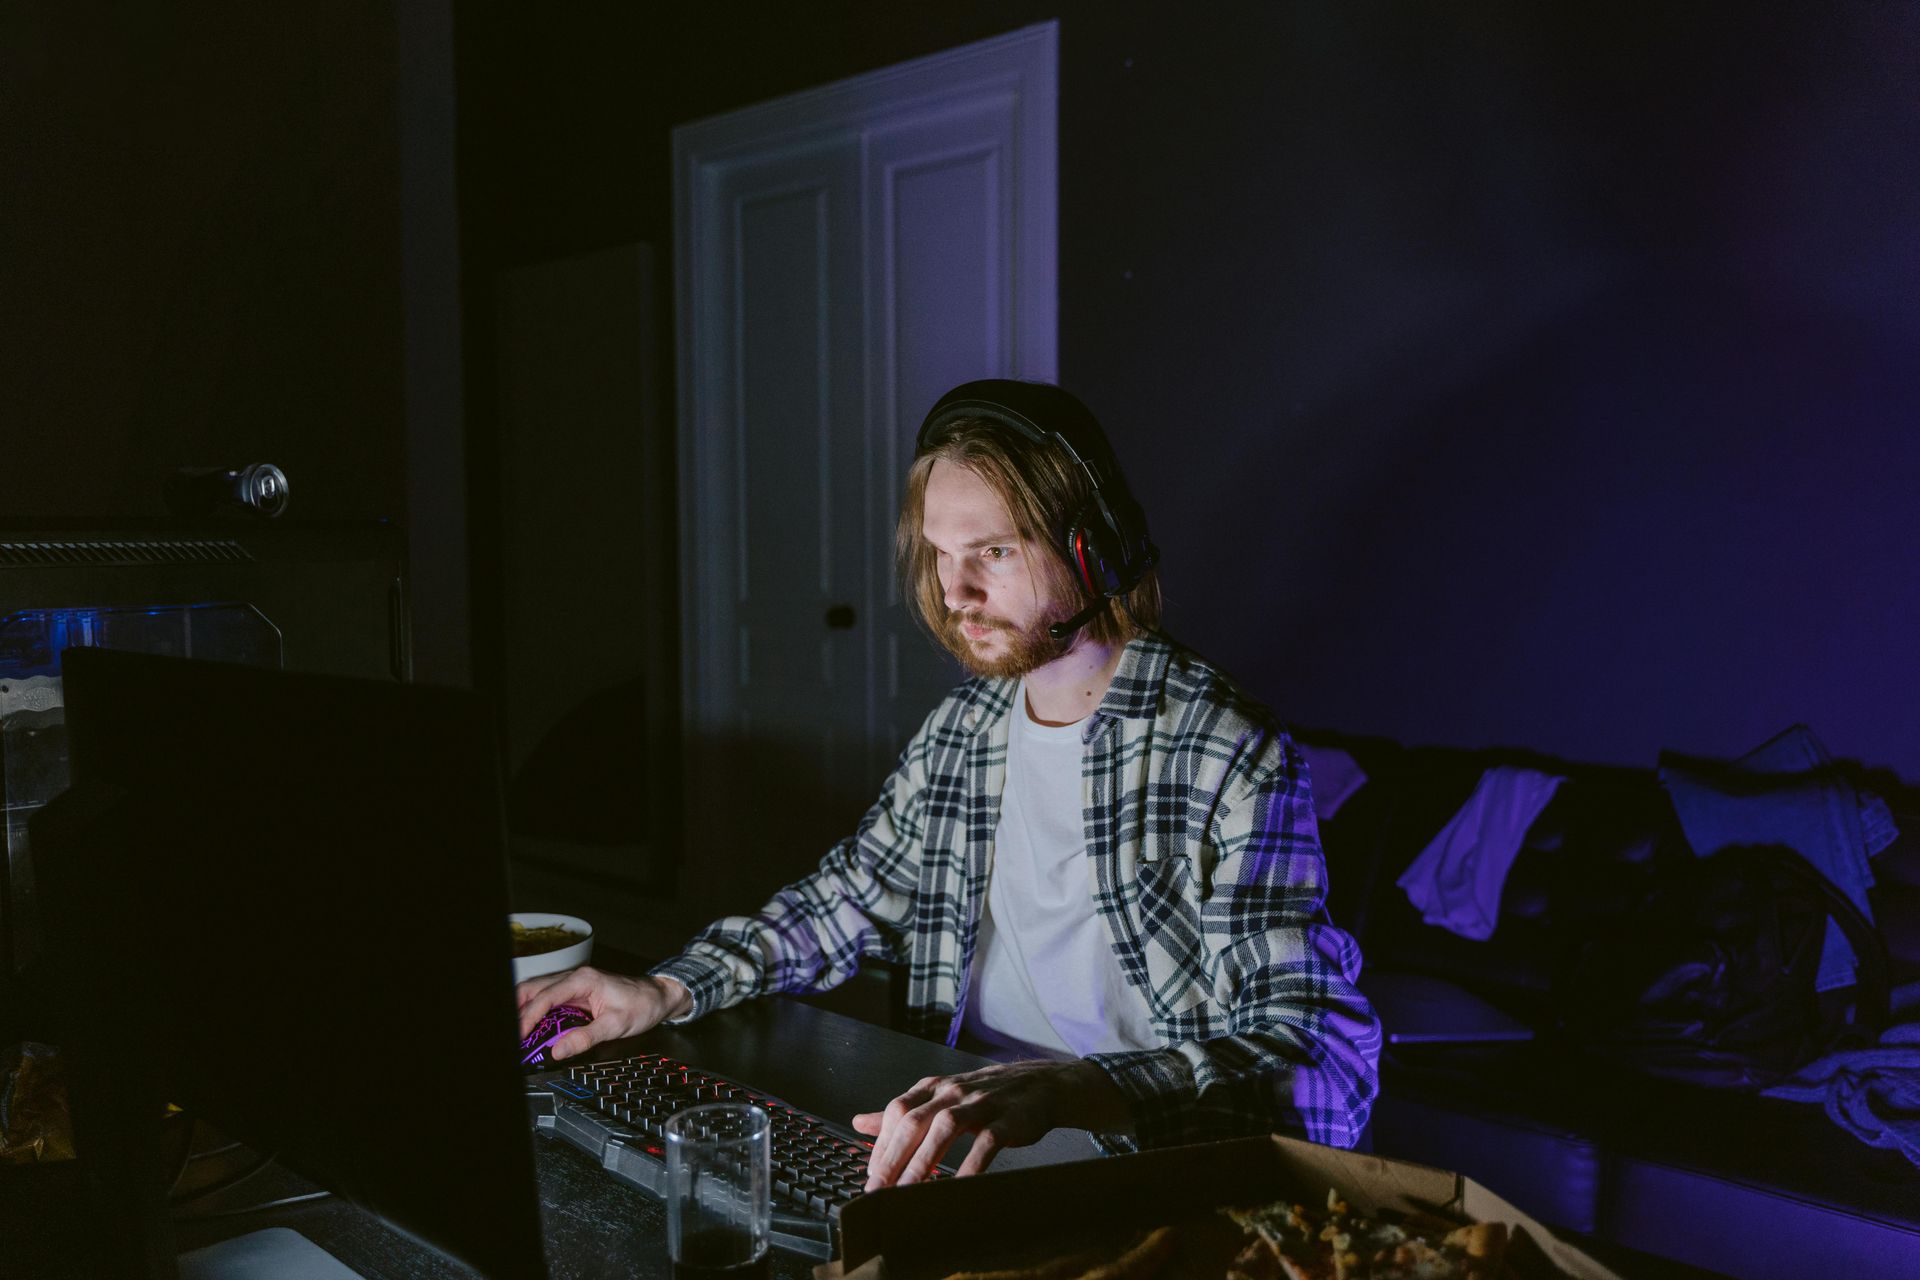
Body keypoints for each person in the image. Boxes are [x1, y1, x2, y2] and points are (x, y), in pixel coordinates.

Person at [516, 379, 1380, 1190]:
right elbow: (843, 900)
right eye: (940, 554)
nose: (954, 591)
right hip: (967, 1137)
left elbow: (1313, 1064)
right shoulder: (965, 730)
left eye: (994, 551)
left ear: (1094, 546)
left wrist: (1067, 1090)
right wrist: (664, 988)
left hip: (1142, 1158)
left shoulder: (1224, 748)